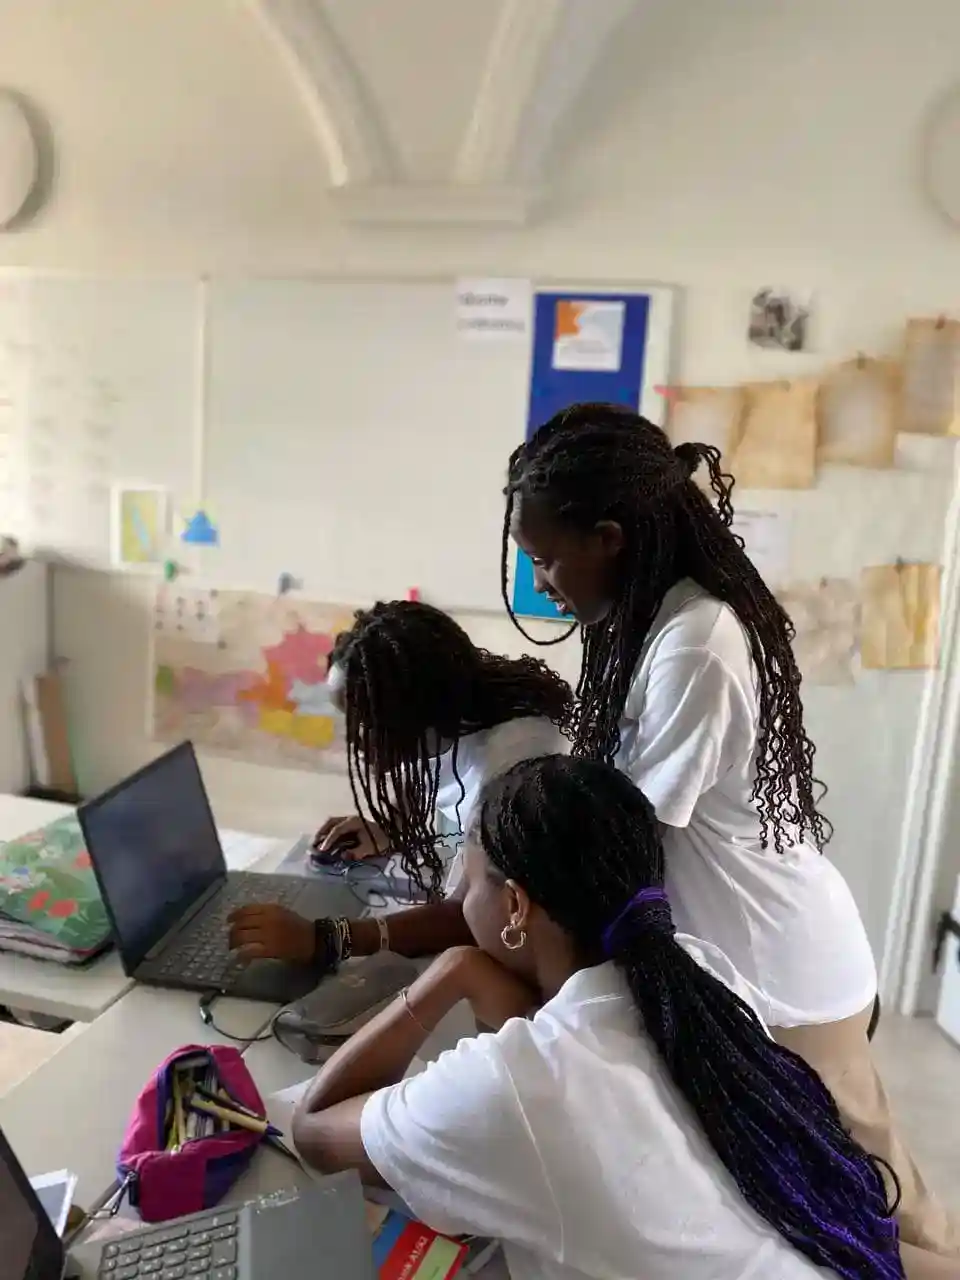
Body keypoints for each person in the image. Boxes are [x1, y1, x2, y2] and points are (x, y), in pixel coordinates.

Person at [500, 402, 958, 1270]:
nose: (539, 576)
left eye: (547, 554)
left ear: (609, 536)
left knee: (885, 1214)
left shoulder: (696, 642)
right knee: (807, 1210)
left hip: (789, 983)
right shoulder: (648, 620)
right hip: (743, 967)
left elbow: (626, 837)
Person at [291, 756, 904, 1280]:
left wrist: (446, 975)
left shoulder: (516, 1085)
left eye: (469, 880)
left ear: (514, 906)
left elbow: (315, 1130)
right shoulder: (697, 973)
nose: (458, 896)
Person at [228, 600, 572, 970]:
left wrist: (324, 939)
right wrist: (392, 826)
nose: (357, 740)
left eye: (369, 721)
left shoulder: (517, 763)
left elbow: (468, 916)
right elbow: (433, 780)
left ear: (418, 709)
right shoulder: (457, 719)